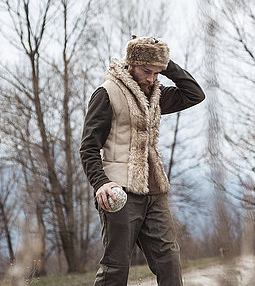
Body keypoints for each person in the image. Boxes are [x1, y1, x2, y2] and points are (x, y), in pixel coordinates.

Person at [79, 35, 205, 286]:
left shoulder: (156, 93)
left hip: (154, 191)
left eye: (157, 72)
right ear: (131, 64)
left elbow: (194, 94)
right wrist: (101, 183)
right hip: (118, 191)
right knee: (116, 266)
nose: (151, 78)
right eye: (147, 71)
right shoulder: (106, 94)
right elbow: (88, 147)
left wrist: (163, 62)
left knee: (169, 259)